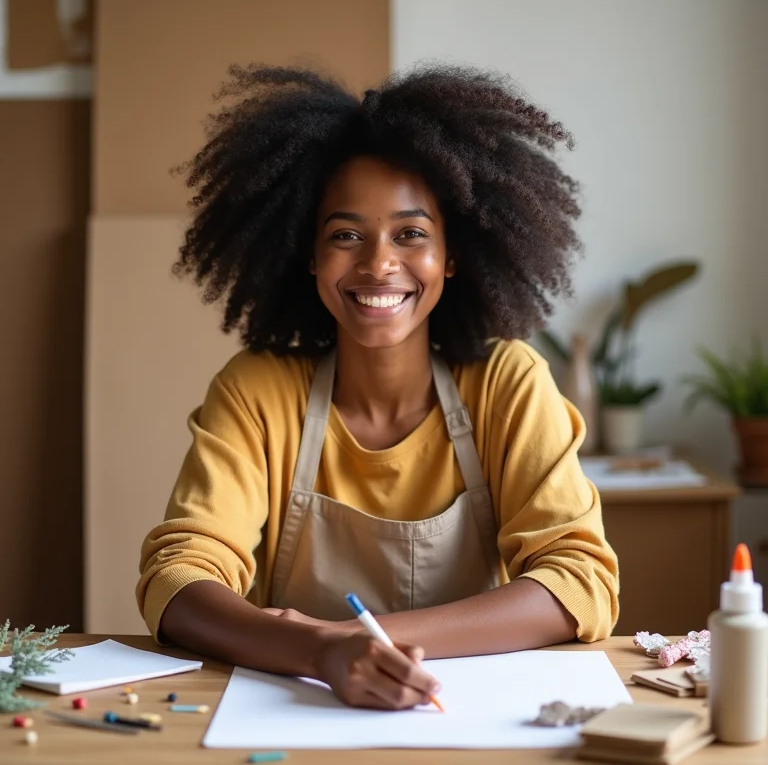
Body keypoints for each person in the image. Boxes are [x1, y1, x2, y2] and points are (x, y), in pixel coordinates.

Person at [136, 63, 619, 711]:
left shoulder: (506, 383)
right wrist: (319, 656)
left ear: (452, 256)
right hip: (299, 718)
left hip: (473, 723)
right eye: (345, 235)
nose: (378, 263)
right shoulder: (258, 393)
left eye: (411, 233)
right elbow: (178, 576)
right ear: (309, 256)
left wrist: (354, 643)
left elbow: (580, 580)